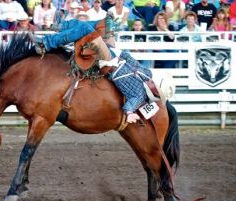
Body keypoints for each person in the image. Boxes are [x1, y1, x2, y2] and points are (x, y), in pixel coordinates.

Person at [29, 15, 159, 124]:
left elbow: (128, 107)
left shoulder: (140, 95)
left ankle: (47, 43)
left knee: (86, 28)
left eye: (155, 86)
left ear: (154, 92)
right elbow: (128, 57)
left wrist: (129, 113)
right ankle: (62, 26)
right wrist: (115, 48)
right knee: (107, 23)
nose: (153, 83)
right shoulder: (147, 75)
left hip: (109, 64)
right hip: (114, 55)